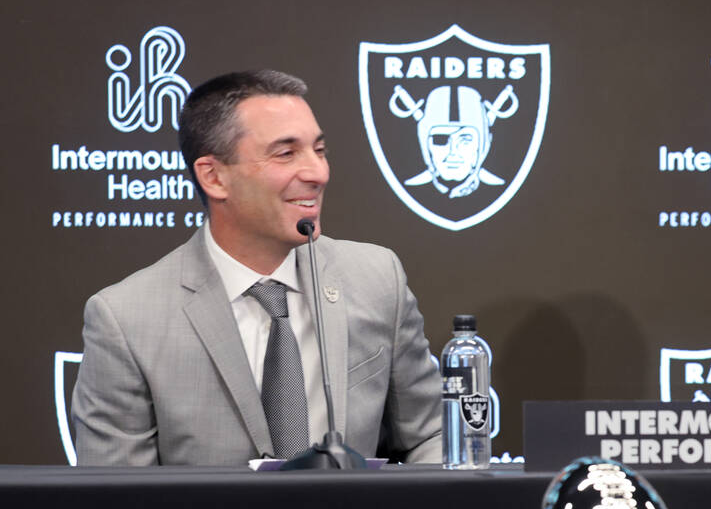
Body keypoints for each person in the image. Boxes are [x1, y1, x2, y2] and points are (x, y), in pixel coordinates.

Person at [72, 70, 442, 465]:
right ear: (214, 177)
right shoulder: (127, 319)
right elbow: (116, 499)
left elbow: (431, 435)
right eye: (286, 153)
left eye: (318, 150)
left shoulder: (376, 278)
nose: (317, 173)